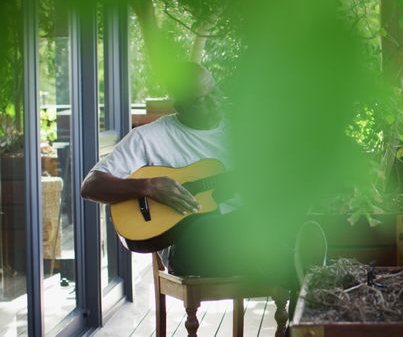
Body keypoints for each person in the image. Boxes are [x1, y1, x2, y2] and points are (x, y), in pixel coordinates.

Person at [80, 62, 326, 286]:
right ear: (179, 105)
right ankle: (300, 271)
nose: (215, 102)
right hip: (190, 246)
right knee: (209, 229)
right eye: (201, 99)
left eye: (215, 92)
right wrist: (148, 186)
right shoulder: (148, 138)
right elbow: (91, 185)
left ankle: (299, 277)